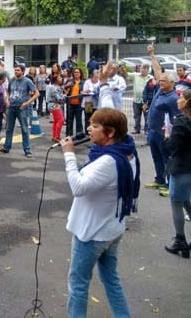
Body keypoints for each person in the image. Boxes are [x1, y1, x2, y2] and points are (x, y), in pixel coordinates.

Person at [60, 107, 140, 318]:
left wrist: (69, 154)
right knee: (111, 279)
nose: (89, 129)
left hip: (92, 232)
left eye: (95, 126)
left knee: (78, 284)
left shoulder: (108, 161)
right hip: (111, 228)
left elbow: (78, 187)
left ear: (110, 132)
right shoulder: (127, 152)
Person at [145, 46, 181, 190]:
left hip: (163, 133)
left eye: (164, 81)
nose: (161, 82)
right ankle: (159, 179)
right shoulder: (160, 90)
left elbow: (178, 116)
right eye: (161, 80)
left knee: (166, 158)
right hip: (153, 130)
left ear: (172, 84)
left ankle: (169, 184)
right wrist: (152, 55)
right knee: (156, 157)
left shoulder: (173, 98)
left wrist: (171, 132)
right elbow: (157, 70)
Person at [163, 88, 191, 258]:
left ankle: (180, 239)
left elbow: (172, 147)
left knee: (176, 202)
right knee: (186, 200)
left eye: (181, 97)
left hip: (181, 167)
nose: (178, 99)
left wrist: (167, 134)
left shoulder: (181, 121)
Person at [2, 64, 39, 157]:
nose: (16, 72)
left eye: (18, 70)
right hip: (11, 107)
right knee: (9, 129)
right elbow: (7, 91)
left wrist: (27, 103)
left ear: (23, 71)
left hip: (22, 108)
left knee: (24, 129)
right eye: (15, 70)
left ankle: (27, 150)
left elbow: (36, 93)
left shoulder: (27, 81)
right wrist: (7, 100)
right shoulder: (12, 80)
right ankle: (7, 147)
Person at [130, 64, 153, 134]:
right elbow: (126, 75)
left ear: (148, 70)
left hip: (147, 101)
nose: (142, 70)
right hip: (136, 100)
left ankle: (147, 130)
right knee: (136, 116)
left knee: (147, 116)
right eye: (142, 68)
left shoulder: (151, 78)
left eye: (145, 68)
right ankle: (137, 129)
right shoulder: (135, 76)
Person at [64, 67, 85, 137]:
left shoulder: (83, 82)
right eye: (75, 72)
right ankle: (68, 135)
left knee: (79, 120)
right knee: (69, 120)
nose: (76, 73)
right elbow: (63, 88)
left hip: (79, 103)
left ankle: (79, 134)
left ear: (80, 73)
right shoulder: (69, 80)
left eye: (78, 72)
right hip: (70, 103)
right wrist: (67, 85)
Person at [47, 74, 66, 143]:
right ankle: (57, 137)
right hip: (54, 104)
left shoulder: (56, 87)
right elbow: (59, 98)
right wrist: (64, 97)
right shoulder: (55, 87)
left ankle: (54, 136)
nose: (61, 79)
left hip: (52, 104)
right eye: (59, 78)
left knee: (56, 121)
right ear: (56, 80)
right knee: (61, 120)